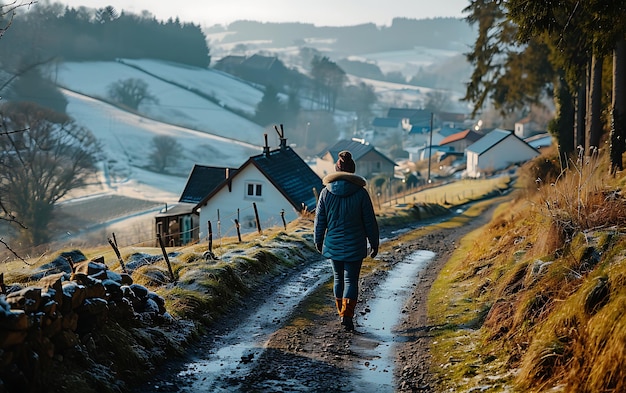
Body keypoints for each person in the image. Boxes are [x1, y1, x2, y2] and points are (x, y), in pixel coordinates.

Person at [314, 150, 379, 331]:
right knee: (351, 280)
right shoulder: (361, 194)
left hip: (333, 243)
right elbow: (369, 221)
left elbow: (320, 221)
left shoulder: (325, 193)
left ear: (336, 168)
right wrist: (374, 243)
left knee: (338, 278)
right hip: (356, 244)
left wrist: (318, 240)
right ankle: (347, 315)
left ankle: (341, 312)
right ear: (353, 171)